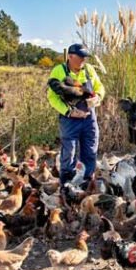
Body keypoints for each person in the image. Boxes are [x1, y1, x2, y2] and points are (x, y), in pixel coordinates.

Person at [47, 43, 105, 184]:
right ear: (70, 56)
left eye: (85, 57)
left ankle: (87, 182)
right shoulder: (59, 71)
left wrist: (97, 97)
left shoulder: (89, 69)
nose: (84, 60)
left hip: (89, 118)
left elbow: (99, 87)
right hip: (70, 119)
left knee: (90, 150)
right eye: (81, 57)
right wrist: (69, 111)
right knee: (69, 152)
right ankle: (67, 184)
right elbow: (52, 97)